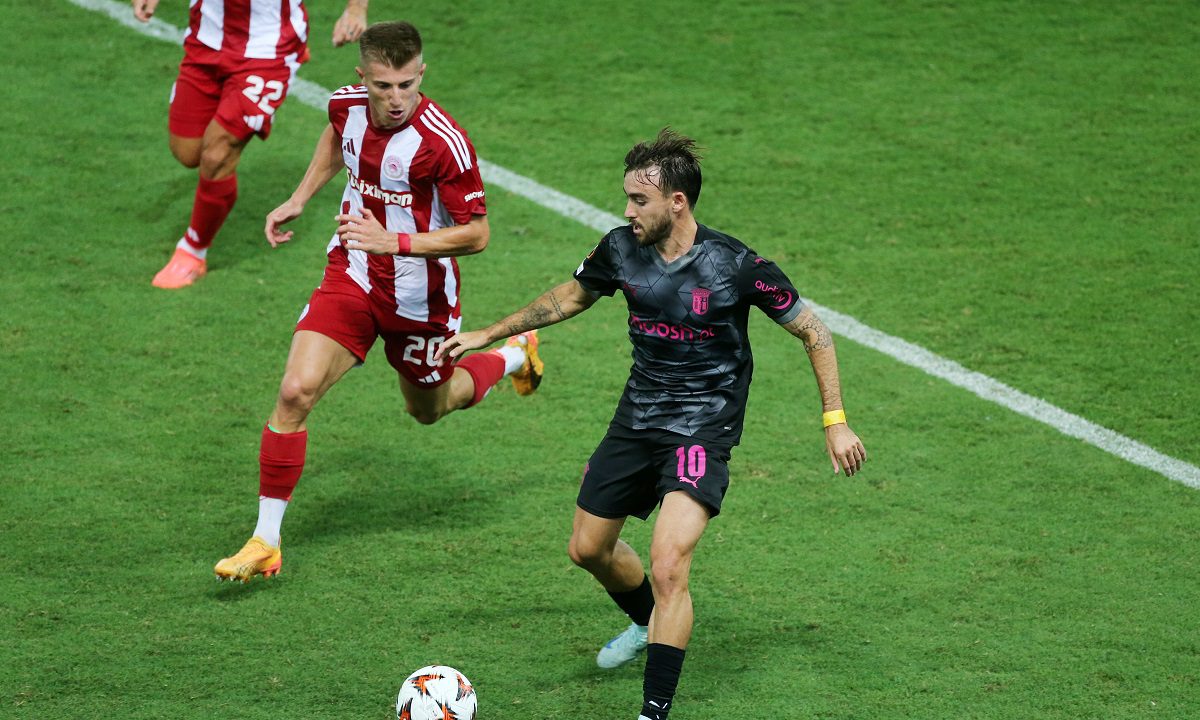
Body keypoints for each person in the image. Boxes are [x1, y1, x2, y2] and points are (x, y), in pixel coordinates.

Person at [438, 128, 866, 720]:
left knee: (668, 565)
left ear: (677, 202)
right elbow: (571, 297)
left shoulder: (735, 266)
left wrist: (835, 420)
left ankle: (653, 710)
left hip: (701, 428)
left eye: (639, 200)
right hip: (637, 419)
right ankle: (646, 623)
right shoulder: (621, 249)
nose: (627, 210)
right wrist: (490, 333)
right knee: (588, 549)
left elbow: (813, 332)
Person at [213, 21, 545, 582]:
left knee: (429, 410)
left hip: (422, 300)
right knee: (294, 392)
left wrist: (397, 242)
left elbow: (477, 234)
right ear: (362, 77)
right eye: (383, 86)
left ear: (421, 74)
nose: (396, 99)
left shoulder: (443, 143)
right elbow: (336, 136)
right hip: (354, 274)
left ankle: (513, 355)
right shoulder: (346, 105)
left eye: (407, 85)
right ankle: (266, 539)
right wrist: (300, 196)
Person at [132, 0, 370, 289]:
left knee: (217, 154)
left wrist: (356, 9)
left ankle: (193, 250)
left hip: (268, 48)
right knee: (187, 152)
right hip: (205, 38)